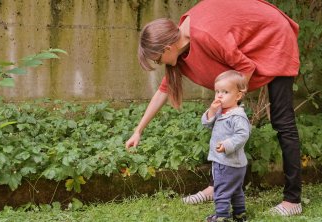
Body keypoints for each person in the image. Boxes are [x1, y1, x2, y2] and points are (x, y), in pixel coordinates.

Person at [126, 0, 302, 216]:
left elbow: (246, 67)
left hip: (274, 35)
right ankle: (217, 187)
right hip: (246, 42)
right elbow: (163, 91)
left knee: (282, 121)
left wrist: (232, 103)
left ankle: (293, 200)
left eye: (158, 59)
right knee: (224, 120)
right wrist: (138, 130)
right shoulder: (181, 46)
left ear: (168, 48)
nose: (160, 64)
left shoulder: (206, 36)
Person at [202, 70, 251, 222]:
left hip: (226, 162)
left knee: (221, 190)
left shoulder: (237, 116)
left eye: (225, 92)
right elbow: (206, 124)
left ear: (238, 96)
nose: (219, 95)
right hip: (234, 164)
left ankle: (222, 216)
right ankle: (240, 214)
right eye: (217, 91)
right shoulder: (221, 112)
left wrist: (227, 145)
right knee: (236, 190)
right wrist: (211, 111)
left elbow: (242, 134)